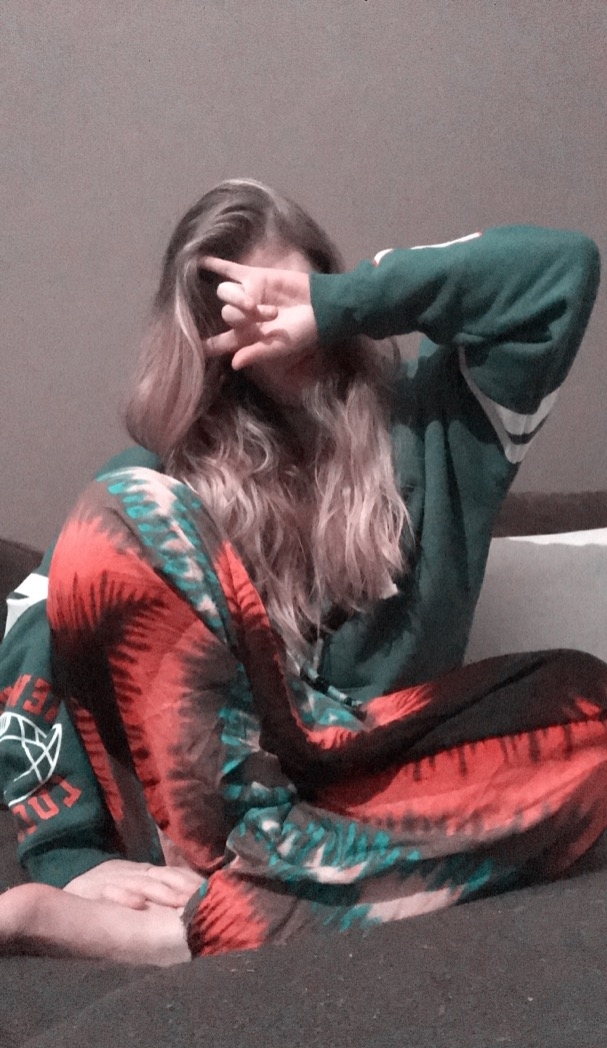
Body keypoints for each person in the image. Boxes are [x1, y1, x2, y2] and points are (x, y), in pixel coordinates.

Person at [0, 178, 604, 966]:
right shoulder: (168, 476)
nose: (274, 327)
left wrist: (341, 303)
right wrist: (68, 856)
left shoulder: (438, 422)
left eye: (285, 292)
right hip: (202, 808)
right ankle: (244, 885)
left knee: (589, 709)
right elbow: (35, 619)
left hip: (367, 784)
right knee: (122, 506)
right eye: (242, 312)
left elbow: (560, 271)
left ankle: (200, 927)